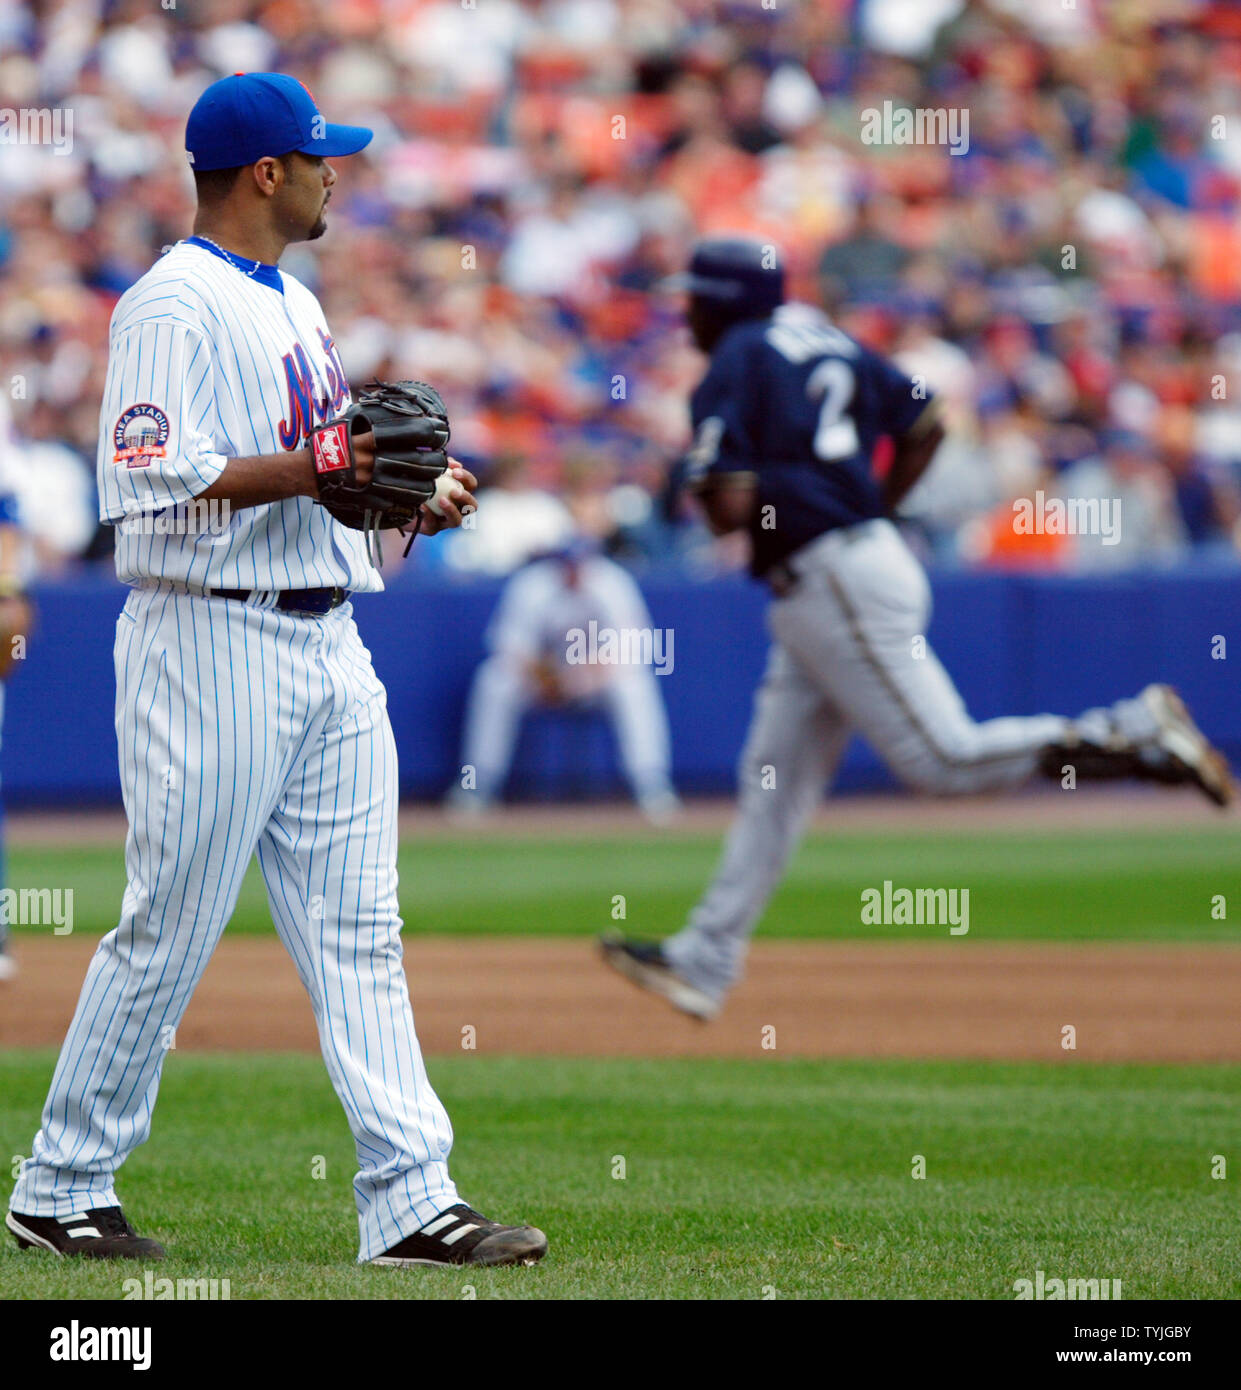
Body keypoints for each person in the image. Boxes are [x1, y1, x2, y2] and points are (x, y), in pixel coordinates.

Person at [6, 73, 547, 1270]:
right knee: (172, 923)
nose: (332, 172)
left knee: (362, 929)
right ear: (265, 172)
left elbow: (339, 465)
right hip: (210, 637)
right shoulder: (169, 302)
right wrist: (323, 467)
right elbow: (152, 476)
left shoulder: (294, 301)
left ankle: (410, 1198)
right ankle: (60, 1180)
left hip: (327, 634)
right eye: (317, 157)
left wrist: (409, 493)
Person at [600, 237, 1233, 1022]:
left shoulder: (736, 351)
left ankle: (1131, 728)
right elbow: (926, 417)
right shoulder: (819, 334)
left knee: (942, 757)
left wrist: (709, 485)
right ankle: (705, 957)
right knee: (774, 784)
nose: (685, 309)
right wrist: (875, 501)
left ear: (723, 302)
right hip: (839, 575)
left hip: (833, 579)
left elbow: (728, 502)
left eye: (694, 296)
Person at [448, 538, 680, 822]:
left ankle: (652, 785)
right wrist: (546, 678)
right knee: (494, 680)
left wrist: (583, 676)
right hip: (541, 680)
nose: (574, 571)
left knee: (634, 684)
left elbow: (636, 648)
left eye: (580, 564)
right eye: (568, 564)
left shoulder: (613, 582)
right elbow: (508, 646)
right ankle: (477, 786)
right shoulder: (533, 584)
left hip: (595, 680)